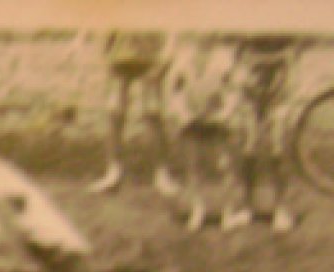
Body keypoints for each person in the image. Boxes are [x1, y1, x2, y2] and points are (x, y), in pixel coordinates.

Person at [86, 31, 182, 197]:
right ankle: (113, 173)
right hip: (120, 52)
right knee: (114, 111)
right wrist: (103, 52)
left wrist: (168, 55)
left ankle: (162, 174)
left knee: (152, 112)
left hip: (151, 54)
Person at [222, 34, 300, 233]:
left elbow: (292, 49)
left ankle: (282, 209)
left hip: (281, 79)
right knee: (245, 149)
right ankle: (245, 207)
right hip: (248, 78)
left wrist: (283, 67)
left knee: (279, 149)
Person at [167, 35, 241, 231]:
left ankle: (228, 212)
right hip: (192, 118)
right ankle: (198, 210)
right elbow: (176, 89)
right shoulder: (183, 58)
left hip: (218, 118)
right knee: (193, 165)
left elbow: (233, 90)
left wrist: (225, 113)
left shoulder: (225, 58)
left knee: (224, 165)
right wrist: (184, 113)